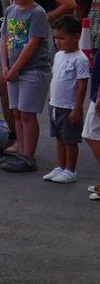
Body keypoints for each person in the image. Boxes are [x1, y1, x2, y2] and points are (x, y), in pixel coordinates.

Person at [0, 0, 51, 174]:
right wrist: (5, 66)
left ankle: (28, 156)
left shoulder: (37, 13)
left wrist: (15, 69)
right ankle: (21, 152)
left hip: (33, 70)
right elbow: (4, 39)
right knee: (17, 113)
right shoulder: (10, 11)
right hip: (13, 70)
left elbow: (32, 44)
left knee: (28, 114)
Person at [45, 16, 86, 184]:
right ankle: (60, 166)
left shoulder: (80, 59)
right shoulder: (58, 56)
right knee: (59, 138)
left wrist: (77, 108)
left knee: (70, 140)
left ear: (76, 37)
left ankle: (70, 170)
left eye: (62, 38)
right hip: (55, 104)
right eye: (55, 38)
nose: (58, 42)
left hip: (69, 107)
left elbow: (82, 85)